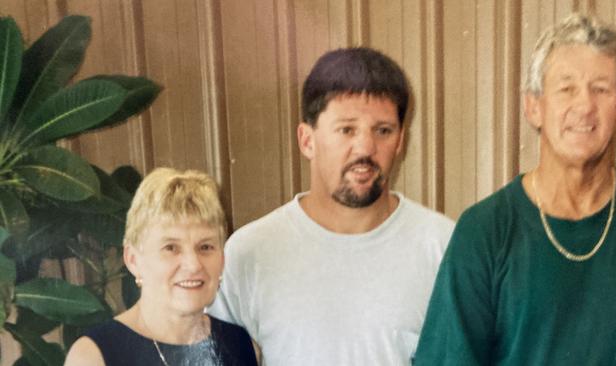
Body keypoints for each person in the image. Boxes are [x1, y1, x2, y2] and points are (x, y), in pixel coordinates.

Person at [414, 13, 616, 365]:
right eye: (566, 88)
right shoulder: (484, 231)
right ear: (533, 106)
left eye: (601, 89)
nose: (584, 106)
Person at [207, 47, 454, 365]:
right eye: (346, 129)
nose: (365, 147)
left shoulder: (442, 246)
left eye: (382, 131)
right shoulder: (249, 252)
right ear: (307, 140)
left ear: (401, 141)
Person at [65, 168, 257, 366]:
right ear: (133, 259)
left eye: (205, 247)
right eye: (171, 248)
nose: (193, 264)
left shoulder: (239, 344)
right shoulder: (93, 356)